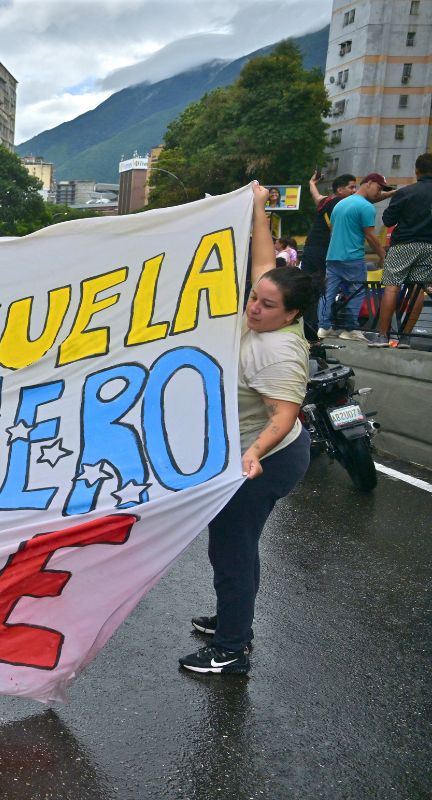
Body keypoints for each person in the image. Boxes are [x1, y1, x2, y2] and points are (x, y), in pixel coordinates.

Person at [180, 183, 316, 676]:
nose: (255, 308)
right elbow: (264, 259)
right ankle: (232, 622)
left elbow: (284, 416)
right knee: (237, 545)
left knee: (231, 548)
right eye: (254, 298)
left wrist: (254, 452)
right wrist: (258, 207)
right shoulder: (272, 301)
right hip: (252, 453)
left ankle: (231, 649)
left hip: (269, 459)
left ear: (292, 315)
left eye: (267, 306)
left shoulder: (276, 351)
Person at [368, 153, 432, 347]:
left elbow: (388, 220)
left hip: (403, 244)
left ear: (417, 171)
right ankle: (405, 337)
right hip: (429, 246)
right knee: (418, 290)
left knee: (392, 286)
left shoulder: (406, 192)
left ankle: (383, 336)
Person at [318, 172, 391, 341]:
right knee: (356, 292)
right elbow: (370, 235)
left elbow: (333, 230)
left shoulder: (340, 205)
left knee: (328, 293)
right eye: (378, 189)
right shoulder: (366, 207)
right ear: (369, 182)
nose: (379, 193)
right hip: (353, 257)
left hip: (333, 256)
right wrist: (382, 254)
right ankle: (349, 329)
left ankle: (323, 327)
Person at [301, 172, 357, 342]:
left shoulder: (325, 201)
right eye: (352, 187)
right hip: (323, 251)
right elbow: (335, 231)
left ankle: (308, 325)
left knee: (309, 286)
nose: (355, 191)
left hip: (310, 248)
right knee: (323, 288)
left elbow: (315, 195)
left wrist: (311, 182)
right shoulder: (340, 204)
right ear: (340, 190)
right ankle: (319, 326)